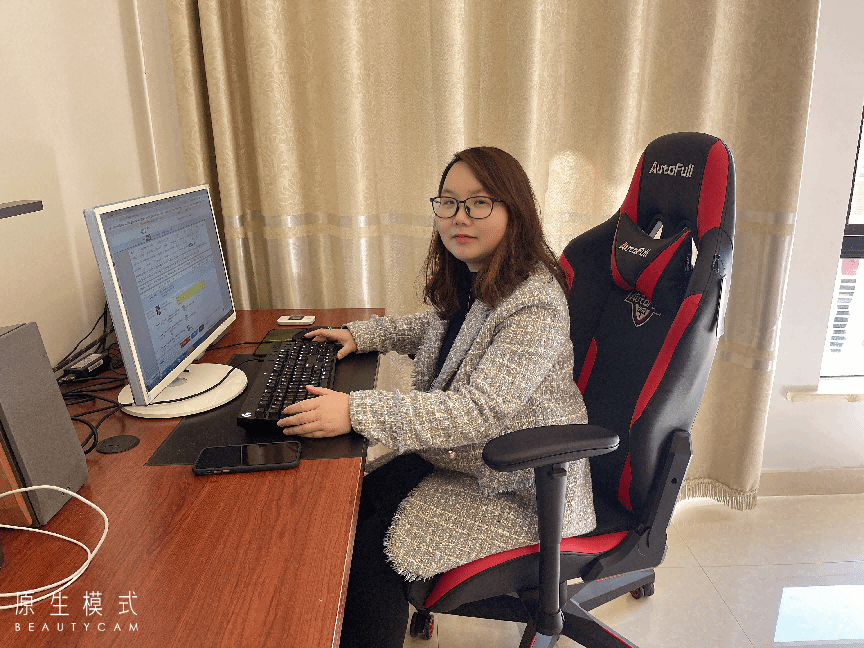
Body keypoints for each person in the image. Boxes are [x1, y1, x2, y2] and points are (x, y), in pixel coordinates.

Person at [278, 146, 595, 647]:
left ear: (515, 211)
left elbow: (479, 410)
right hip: (468, 460)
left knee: (373, 552)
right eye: (448, 202)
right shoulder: (482, 277)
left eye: (479, 203)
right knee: (349, 506)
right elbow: (438, 327)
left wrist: (356, 410)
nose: (458, 217)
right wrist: (364, 335)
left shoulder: (535, 303)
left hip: (523, 483)